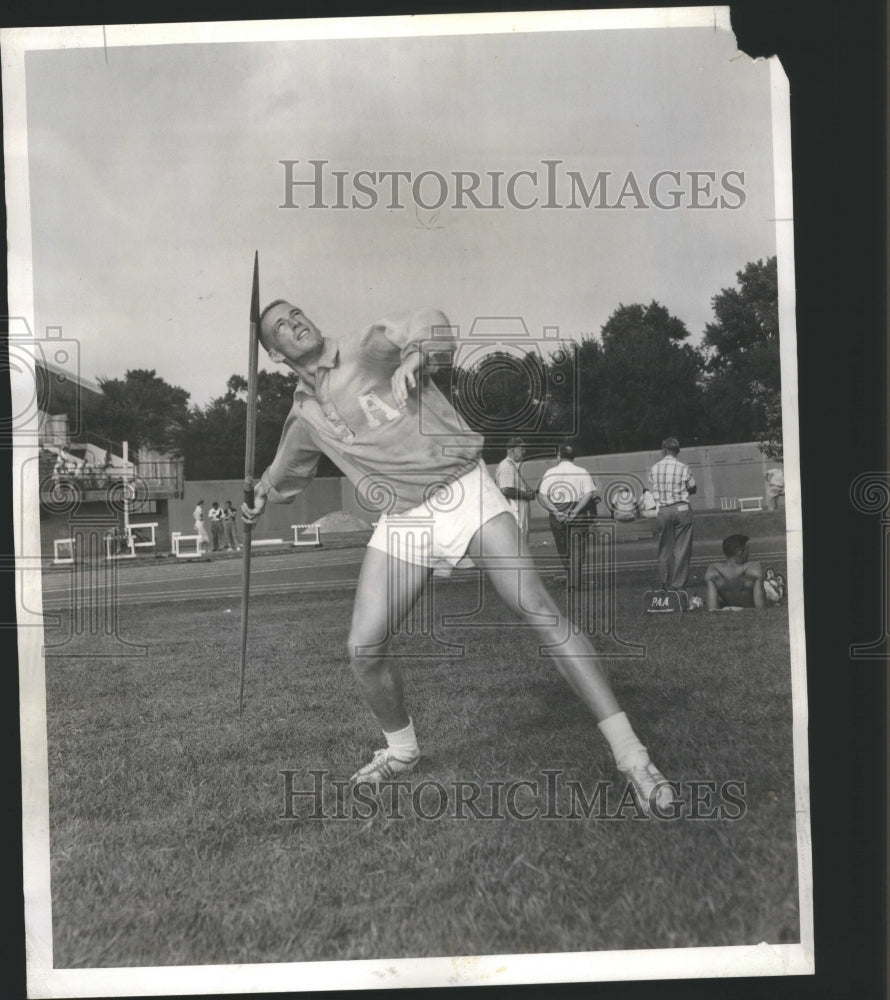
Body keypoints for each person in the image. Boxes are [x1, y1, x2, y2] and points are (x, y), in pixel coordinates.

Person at [242, 299, 673, 813]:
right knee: (364, 648)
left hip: (461, 490)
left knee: (537, 609)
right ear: (272, 353)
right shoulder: (303, 415)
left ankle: (633, 757)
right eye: (281, 328)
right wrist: (258, 495)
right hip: (403, 520)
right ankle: (401, 751)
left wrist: (417, 357)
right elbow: (285, 472)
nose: (296, 324)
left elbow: (428, 321)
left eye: (296, 314)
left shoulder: (364, 348)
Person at [536, 444, 600, 590]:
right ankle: (575, 581)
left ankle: (572, 579)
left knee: (563, 548)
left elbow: (542, 495)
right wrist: (576, 511)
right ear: (573, 457)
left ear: (559, 456)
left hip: (557, 510)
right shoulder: (582, 471)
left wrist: (556, 512)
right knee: (577, 549)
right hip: (578, 512)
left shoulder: (550, 472)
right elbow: (589, 494)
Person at [648, 438, 696, 592]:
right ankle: (678, 584)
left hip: (663, 509)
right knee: (682, 549)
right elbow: (693, 488)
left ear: (663, 449)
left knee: (665, 548)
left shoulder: (654, 468)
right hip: (681, 507)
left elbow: (653, 488)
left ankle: (665, 582)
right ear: (678, 451)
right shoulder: (684, 467)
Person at [705, 534, 766, 611]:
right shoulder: (754, 569)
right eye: (747, 550)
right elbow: (760, 607)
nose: (748, 554)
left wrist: (728, 608)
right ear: (739, 552)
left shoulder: (713, 571)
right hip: (756, 597)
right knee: (771, 589)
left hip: (728, 604)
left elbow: (712, 608)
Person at [495, 438, 536, 544]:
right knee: (519, 542)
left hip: (518, 509)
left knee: (521, 541)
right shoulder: (506, 466)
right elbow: (506, 490)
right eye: (522, 449)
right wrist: (527, 495)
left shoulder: (511, 465)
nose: (524, 451)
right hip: (516, 510)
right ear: (513, 450)